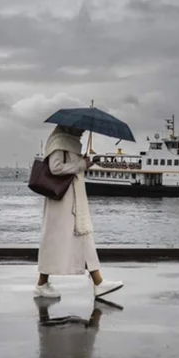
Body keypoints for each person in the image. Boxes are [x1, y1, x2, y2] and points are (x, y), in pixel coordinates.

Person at [34, 125, 124, 299]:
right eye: (80, 127)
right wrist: (81, 164)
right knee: (58, 238)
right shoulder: (59, 142)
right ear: (70, 127)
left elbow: (67, 166)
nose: (83, 131)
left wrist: (81, 162)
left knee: (79, 236)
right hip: (63, 200)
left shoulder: (68, 142)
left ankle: (96, 282)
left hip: (71, 198)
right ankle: (43, 284)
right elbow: (55, 167)